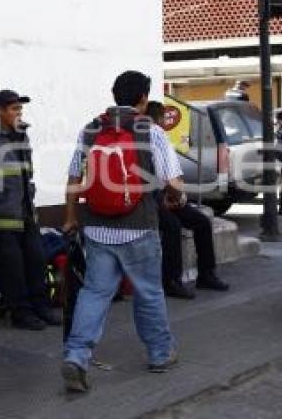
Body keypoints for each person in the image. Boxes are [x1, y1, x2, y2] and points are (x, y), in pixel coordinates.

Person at [61, 71, 180, 393]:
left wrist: (71, 217)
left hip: (97, 226)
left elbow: (74, 177)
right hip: (139, 225)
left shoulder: (90, 130)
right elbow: (173, 181)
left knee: (94, 293)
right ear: (143, 98)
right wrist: (174, 197)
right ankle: (159, 353)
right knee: (148, 291)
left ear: (114, 95)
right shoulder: (151, 131)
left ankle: (76, 355)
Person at [0, 90, 61, 331]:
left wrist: (30, 199)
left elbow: (26, 174)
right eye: (13, 109)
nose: (18, 113)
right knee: (12, 269)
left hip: (25, 213)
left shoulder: (21, 135)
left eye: (20, 109)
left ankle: (41, 307)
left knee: (36, 261)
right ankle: (21, 313)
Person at [145, 101, 229, 299]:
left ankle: (206, 274)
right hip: (151, 197)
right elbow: (165, 176)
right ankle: (171, 281)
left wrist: (176, 195)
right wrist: (178, 196)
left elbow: (173, 174)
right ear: (160, 119)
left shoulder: (156, 136)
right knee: (172, 227)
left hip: (165, 194)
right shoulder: (156, 134)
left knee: (201, 222)